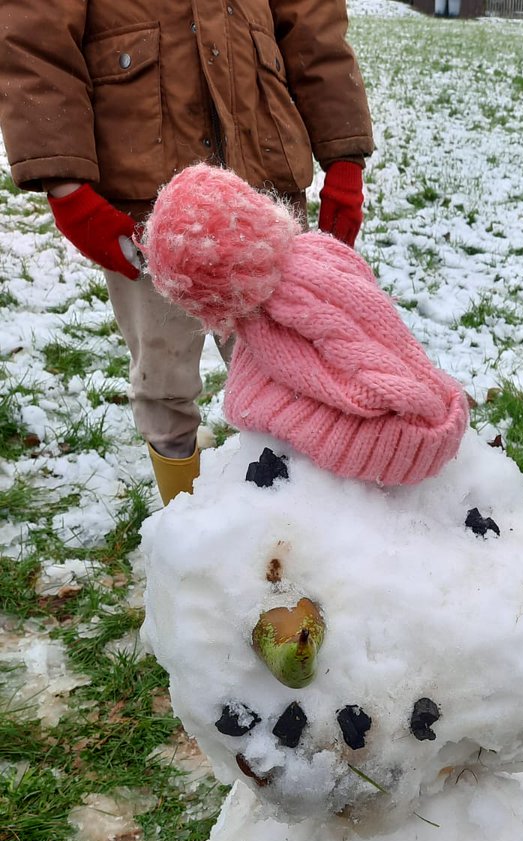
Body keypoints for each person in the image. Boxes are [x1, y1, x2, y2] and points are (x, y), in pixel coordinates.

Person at [0, 0, 374, 504]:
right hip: (146, 194)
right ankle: (184, 522)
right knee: (164, 376)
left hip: (264, 181)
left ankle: (293, 525)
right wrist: (67, 186)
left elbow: (314, 24)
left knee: (292, 369)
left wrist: (344, 159)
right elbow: (32, 35)